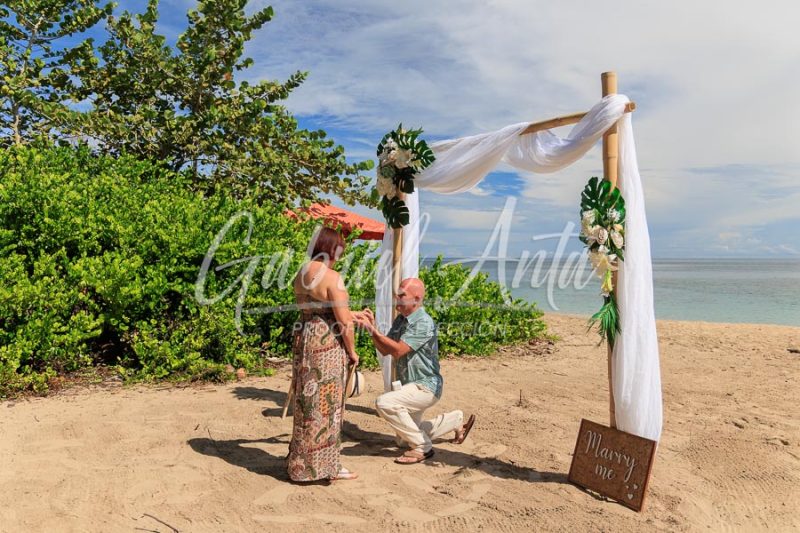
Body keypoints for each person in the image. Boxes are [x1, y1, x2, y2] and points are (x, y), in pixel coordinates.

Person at [354, 278, 476, 464]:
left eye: (402, 295)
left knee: (384, 403)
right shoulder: (401, 319)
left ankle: (423, 448)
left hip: (426, 386)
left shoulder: (423, 322)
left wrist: (372, 330)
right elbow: (386, 350)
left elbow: (397, 351)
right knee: (404, 440)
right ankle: (455, 420)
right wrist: (374, 327)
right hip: (409, 386)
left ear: (416, 298)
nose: (397, 298)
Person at [287, 227, 364, 482]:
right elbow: (343, 322)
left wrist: (353, 315)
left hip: (305, 337)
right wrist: (352, 352)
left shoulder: (301, 273)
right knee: (328, 405)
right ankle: (327, 466)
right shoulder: (333, 277)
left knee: (305, 403)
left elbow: (316, 310)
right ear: (332, 248)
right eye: (340, 248)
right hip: (327, 345)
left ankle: (299, 465)